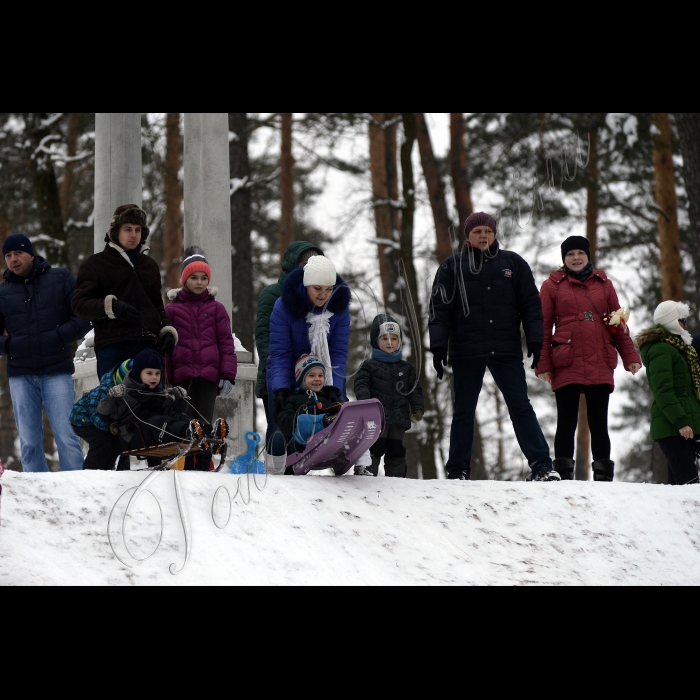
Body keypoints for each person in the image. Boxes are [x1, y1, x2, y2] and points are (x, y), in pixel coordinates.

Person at [429, 212, 557, 482]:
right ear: (467, 237)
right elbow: (439, 310)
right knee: (463, 411)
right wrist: (438, 346)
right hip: (466, 350)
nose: (483, 236)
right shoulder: (451, 267)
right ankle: (457, 471)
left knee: (520, 405)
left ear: (495, 233)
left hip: (506, 349)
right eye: (477, 232)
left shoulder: (514, 263)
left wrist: (535, 339)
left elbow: (531, 306)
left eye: (488, 231)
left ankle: (542, 466)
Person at [537, 236, 641, 481]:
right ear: (564, 258)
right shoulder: (552, 285)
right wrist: (543, 364)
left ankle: (604, 479)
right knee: (566, 422)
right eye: (570, 254)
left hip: (599, 358)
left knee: (599, 423)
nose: (575, 258)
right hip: (566, 358)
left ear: (587, 255)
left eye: (580, 253)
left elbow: (618, 324)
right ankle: (563, 477)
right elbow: (542, 326)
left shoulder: (604, 284)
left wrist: (630, 357)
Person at [0, 234, 91, 473]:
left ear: (31, 254)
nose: (13, 259)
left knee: (67, 438)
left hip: (56, 372)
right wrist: (9, 346)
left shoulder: (60, 278)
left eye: (18, 253)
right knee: (29, 443)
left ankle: (74, 490)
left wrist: (60, 336)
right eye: (8, 256)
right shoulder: (2, 291)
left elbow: (84, 315)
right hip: (20, 374)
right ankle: (38, 496)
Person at [72, 204, 178, 379]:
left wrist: (166, 331)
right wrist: (111, 306)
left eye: (138, 229)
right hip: (112, 345)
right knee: (115, 404)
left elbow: (157, 307)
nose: (133, 235)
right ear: (116, 231)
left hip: (148, 345)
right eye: (127, 229)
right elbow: (79, 304)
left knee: (150, 404)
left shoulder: (149, 266)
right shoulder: (94, 264)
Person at [267, 255, 351, 469]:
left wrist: (333, 387)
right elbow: (280, 352)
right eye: (317, 288)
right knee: (284, 421)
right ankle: (281, 469)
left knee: (338, 410)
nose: (323, 295)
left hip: (323, 374)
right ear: (306, 286)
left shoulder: (338, 310)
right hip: (287, 371)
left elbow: (338, 352)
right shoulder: (284, 307)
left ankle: (344, 459)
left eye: (329, 289)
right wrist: (281, 389)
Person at [94, 349, 229, 469]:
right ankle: (189, 432)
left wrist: (179, 398)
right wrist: (111, 397)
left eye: (157, 373)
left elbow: (176, 414)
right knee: (158, 421)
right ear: (137, 372)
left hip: (156, 433)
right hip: (134, 435)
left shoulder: (160, 393)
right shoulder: (126, 393)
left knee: (179, 419)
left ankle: (209, 433)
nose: (154, 377)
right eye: (149, 373)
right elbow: (103, 413)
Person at [165, 247, 237, 470]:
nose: (199, 282)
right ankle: (182, 463)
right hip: (182, 377)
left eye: (203, 278)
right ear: (184, 280)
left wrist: (227, 374)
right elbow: (166, 349)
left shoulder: (217, 309)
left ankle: (204, 463)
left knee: (204, 421)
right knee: (183, 422)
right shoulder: (172, 310)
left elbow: (226, 343)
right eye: (194, 277)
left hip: (208, 376)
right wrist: (166, 378)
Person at [255, 242, 323, 473]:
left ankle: (296, 475)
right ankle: (273, 477)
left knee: (302, 428)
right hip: (277, 374)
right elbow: (264, 335)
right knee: (278, 428)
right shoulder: (272, 294)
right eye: (304, 264)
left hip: (307, 376)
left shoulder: (318, 296)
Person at [637, 301, 700, 485]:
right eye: (681, 320)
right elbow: (663, 391)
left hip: (684, 426)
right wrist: (681, 422)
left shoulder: (681, 349)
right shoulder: (660, 349)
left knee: (679, 488)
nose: (686, 325)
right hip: (672, 427)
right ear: (671, 320)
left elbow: (688, 392)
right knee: (689, 483)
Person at [354, 315, 424, 478]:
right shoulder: (369, 366)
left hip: (399, 419)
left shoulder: (406, 368)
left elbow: (415, 389)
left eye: (394, 338)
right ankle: (367, 476)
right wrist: (366, 403)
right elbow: (361, 384)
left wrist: (417, 408)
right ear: (375, 340)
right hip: (377, 418)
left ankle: (397, 480)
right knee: (374, 448)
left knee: (396, 450)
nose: (390, 342)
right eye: (384, 338)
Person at [70, 359, 132, 471]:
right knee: (102, 441)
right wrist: (109, 427)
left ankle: (106, 470)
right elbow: (95, 415)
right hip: (82, 420)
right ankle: (91, 470)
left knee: (115, 443)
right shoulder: (103, 390)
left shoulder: (127, 394)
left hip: (105, 422)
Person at [277, 354, 338, 455]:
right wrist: (306, 412)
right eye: (312, 375)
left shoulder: (325, 398)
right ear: (302, 378)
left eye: (320, 375)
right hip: (301, 444)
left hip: (324, 440)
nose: (317, 379)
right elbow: (284, 422)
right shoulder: (293, 399)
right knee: (302, 420)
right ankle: (326, 421)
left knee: (336, 408)